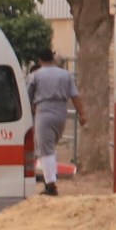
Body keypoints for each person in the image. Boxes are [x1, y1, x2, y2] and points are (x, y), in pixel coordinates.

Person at [27, 53, 81, 195]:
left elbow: (28, 96)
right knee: (50, 147)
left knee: (46, 150)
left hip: (44, 112)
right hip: (61, 113)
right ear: (52, 58)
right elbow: (75, 95)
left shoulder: (36, 75)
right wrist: (82, 113)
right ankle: (48, 180)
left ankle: (51, 185)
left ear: (40, 60)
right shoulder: (65, 74)